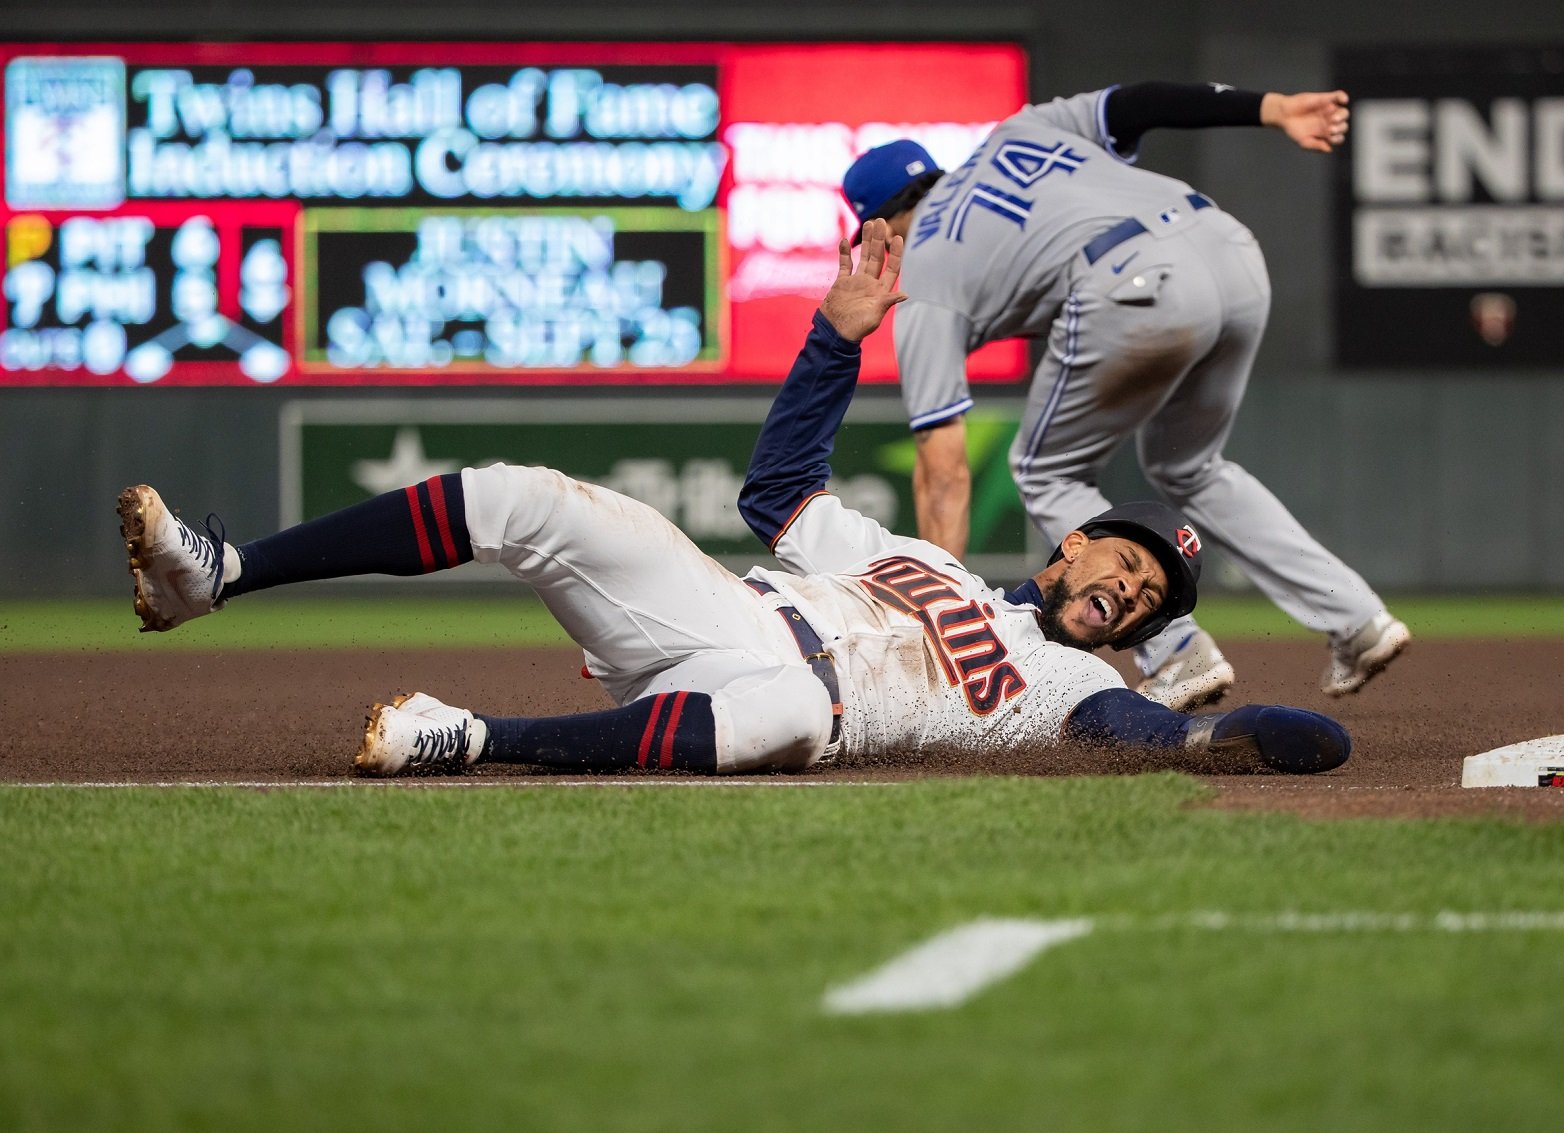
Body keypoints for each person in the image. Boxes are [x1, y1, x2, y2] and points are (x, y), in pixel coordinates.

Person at [116, 220, 1349, 778]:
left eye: (1144, 603)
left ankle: (475, 740)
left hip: (782, 701)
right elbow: (778, 492)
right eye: (1125, 566)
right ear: (1076, 547)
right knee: (518, 496)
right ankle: (216, 572)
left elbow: (1175, 739)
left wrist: (1215, 739)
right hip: (727, 617)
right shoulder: (929, 564)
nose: (1129, 594)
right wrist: (830, 338)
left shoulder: (1082, 687)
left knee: (793, 717)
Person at [841, 81, 1410, 711]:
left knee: (1044, 471)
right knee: (1189, 465)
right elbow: (1140, 102)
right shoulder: (1020, 131)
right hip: (1230, 250)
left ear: (877, 225)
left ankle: (1176, 652)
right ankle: (1357, 620)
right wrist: (1270, 109)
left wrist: (939, 612)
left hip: (1135, 282)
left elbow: (944, 473)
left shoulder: (925, 269)